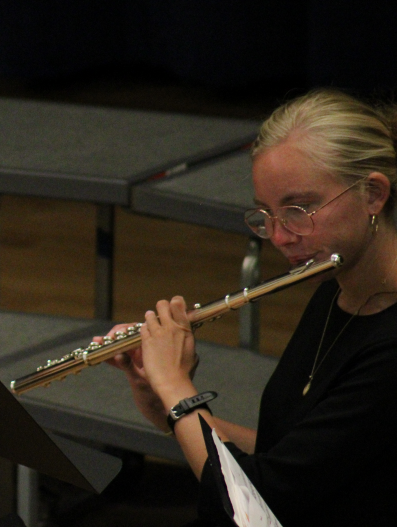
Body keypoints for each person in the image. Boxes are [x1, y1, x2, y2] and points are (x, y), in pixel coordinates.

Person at [101, 89, 397, 526]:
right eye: (265, 214)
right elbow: (290, 459)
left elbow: (261, 502)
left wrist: (178, 390)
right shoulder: (336, 289)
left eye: (299, 209)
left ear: (373, 194)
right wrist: (165, 405)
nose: (279, 237)